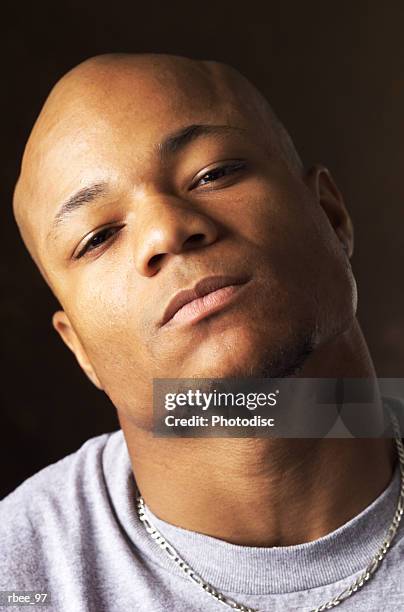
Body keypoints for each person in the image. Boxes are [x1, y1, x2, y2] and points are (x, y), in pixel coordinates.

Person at [1, 52, 402, 611]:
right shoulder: (19, 574)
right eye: (97, 237)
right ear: (79, 348)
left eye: (212, 174)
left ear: (331, 215)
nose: (166, 230)